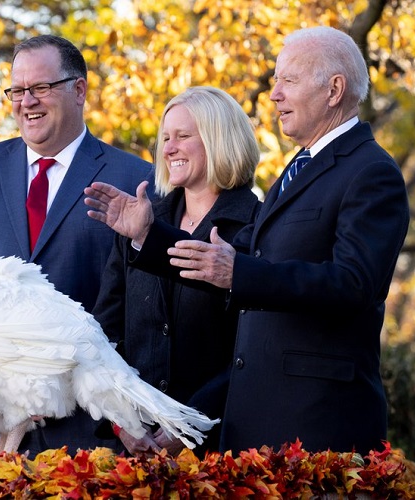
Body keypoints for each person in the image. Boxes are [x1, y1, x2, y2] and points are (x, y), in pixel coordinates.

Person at [85, 26, 410, 456]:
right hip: (263, 426)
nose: (273, 94)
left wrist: (238, 271)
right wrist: (147, 236)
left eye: (287, 80)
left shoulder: (371, 171)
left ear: (334, 89)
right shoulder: (301, 169)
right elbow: (226, 264)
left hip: (319, 426)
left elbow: (354, 284)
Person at [0, 34, 153, 454]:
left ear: (79, 90)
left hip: (89, 437)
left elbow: (147, 310)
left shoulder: (135, 180)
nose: (26, 101)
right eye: (18, 90)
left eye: (41, 88)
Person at [91, 87, 261, 456]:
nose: (168, 149)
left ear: (219, 139)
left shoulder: (256, 226)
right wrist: (122, 421)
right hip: (136, 449)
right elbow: (104, 335)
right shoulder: (142, 219)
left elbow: (254, 350)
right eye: (165, 138)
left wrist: (190, 422)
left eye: (183, 136)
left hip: (220, 450)